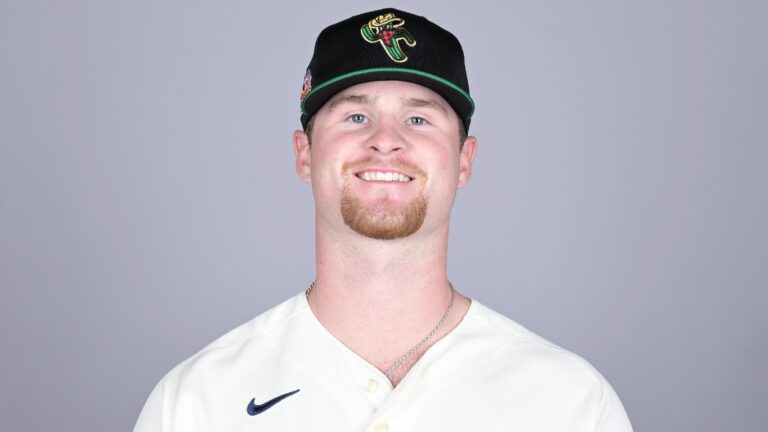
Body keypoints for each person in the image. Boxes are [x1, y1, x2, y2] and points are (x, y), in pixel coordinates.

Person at [134, 8, 633, 432]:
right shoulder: (197, 403)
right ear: (304, 154)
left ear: (464, 161)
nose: (386, 140)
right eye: (355, 116)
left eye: (419, 118)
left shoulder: (568, 404)